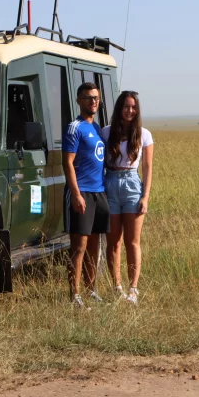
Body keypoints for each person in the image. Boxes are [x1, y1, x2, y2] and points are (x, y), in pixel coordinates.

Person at [101, 91, 154, 305]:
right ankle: (117, 286)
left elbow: (148, 167)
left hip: (132, 185)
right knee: (113, 242)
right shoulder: (105, 132)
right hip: (110, 183)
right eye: (126, 107)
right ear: (119, 108)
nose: (130, 111)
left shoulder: (144, 134)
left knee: (132, 242)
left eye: (133, 107)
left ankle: (133, 288)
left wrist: (145, 196)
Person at [62, 82, 110, 309]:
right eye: (89, 98)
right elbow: (67, 163)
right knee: (78, 246)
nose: (93, 102)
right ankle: (75, 295)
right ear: (79, 100)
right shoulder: (75, 127)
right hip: (82, 193)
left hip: (99, 193)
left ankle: (92, 290)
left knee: (95, 245)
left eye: (96, 98)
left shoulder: (98, 128)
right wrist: (76, 194)